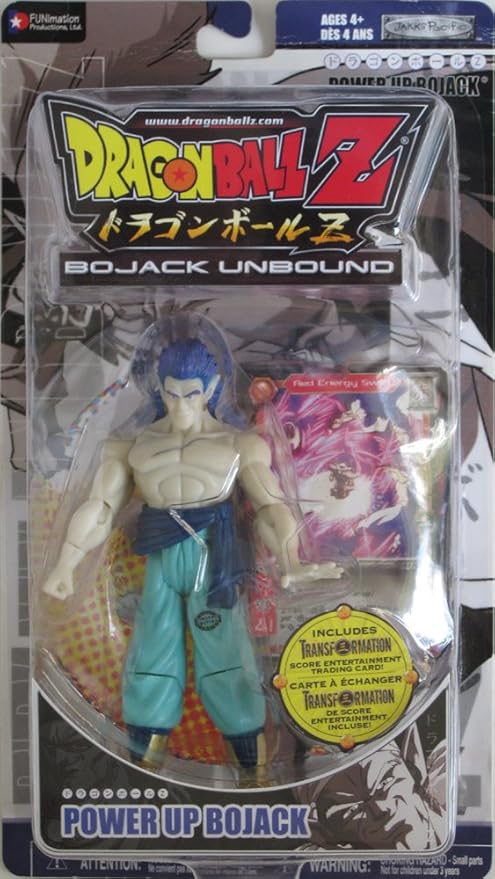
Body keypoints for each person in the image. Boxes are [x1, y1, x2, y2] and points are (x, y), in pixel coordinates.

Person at [44, 337, 341, 775]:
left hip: (212, 556)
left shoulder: (239, 444)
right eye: (172, 393)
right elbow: (102, 508)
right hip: (160, 557)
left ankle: (251, 764)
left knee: (224, 651)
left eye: (191, 393)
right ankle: (145, 757)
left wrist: (292, 560)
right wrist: (67, 564)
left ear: (212, 388)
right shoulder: (131, 446)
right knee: (151, 649)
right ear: (159, 388)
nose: (180, 404)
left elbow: (272, 506)